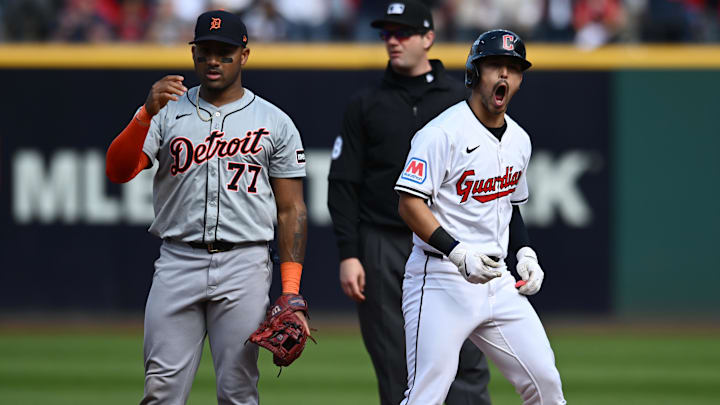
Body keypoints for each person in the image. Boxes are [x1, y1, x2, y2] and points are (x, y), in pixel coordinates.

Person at [105, 10, 309, 405]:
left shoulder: (274, 122)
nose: (213, 60)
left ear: (245, 55)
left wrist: (290, 291)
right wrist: (144, 113)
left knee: (238, 392)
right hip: (178, 261)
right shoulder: (165, 112)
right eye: (205, 51)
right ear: (194, 53)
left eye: (225, 52)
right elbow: (118, 170)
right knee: (160, 390)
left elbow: (292, 210)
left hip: (244, 265)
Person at [327, 2, 492, 405]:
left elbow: (491, 178)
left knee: (467, 359)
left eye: (403, 32)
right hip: (383, 242)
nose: (393, 41)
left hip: (449, 242)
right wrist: (350, 253)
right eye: (387, 33)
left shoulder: (462, 100)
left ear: (428, 38)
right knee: (394, 362)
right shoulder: (366, 103)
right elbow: (343, 183)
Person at [393, 29, 567, 404]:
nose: (504, 75)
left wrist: (524, 254)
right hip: (440, 277)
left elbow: (510, 205)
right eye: (495, 66)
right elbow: (409, 204)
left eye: (514, 68)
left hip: (497, 280)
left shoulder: (520, 139)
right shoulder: (442, 133)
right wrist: (458, 253)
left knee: (546, 384)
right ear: (474, 74)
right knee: (426, 393)